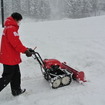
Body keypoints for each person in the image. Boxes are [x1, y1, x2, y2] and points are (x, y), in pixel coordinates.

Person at [0, 12, 33, 96]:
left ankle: (16, 90)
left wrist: (26, 49)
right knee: (7, 77)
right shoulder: (11, 29)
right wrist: (26, 51)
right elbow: (16, 44)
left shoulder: (8, 27)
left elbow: (15, 43)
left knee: (16, 75)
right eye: (19, 21)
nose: (19, 23)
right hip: (9, 58)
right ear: (15, 19)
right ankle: (16, 90)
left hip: (10, 57)